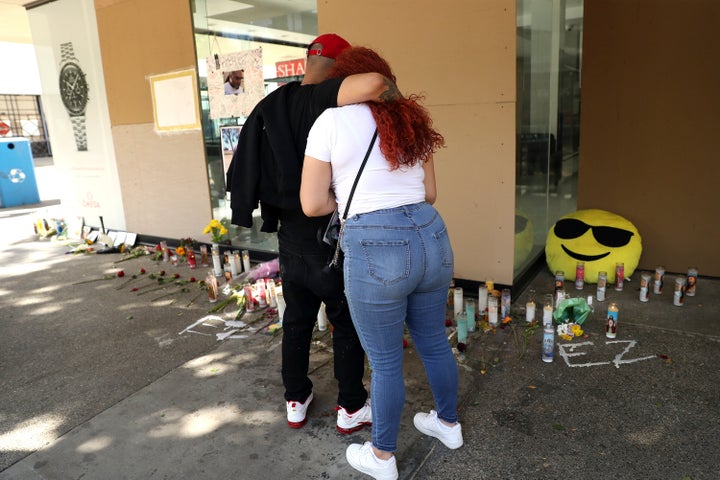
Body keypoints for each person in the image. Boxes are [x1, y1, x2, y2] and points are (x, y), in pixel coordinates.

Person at [300, 46, 462, 480]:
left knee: (386, 361)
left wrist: (353, 198)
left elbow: (313, 204)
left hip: (377, 243)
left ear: (344, 81)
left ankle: (383, 457)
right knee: (433, 340)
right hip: (431, 234)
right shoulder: (412, 119)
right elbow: (428, 194)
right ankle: (448, 425)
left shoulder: (330, 122)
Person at [226, 34, 400, 434]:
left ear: (308, 60)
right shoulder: (327, 99)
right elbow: (375, 83)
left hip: (289, 239)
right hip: (331, 237)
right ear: (341, 66)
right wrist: (399, 102)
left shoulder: (270, 104)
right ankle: (352, 406)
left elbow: (245, 167)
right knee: (346, 321)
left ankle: (295, 399)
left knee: (297, 322)